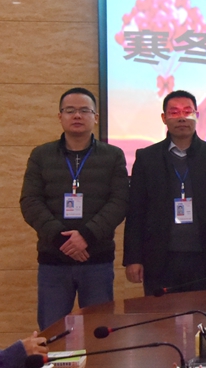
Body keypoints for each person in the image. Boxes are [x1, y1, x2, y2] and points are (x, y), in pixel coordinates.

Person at [20, 88, 129, 330]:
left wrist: (86, 237)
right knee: (52, 332)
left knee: (99, 331)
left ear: (95, 117)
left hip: (96, 259)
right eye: (70, 110)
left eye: (84, 110)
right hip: (53, 261)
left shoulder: (112, 156)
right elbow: (30, 201)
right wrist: (63, 240)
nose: (77, 115)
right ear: (60, 116)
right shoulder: (41, 155)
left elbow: (119, 201)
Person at [123, 90, 206, 296]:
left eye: (188, 111)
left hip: (205, 257)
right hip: (159, 258)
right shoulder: (147, 158)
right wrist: (133, 259)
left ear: (197, 116)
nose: (182, 117)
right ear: (164, 118)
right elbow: (136, 212)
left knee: (204, 313)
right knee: (160, 314)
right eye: (174, 112)